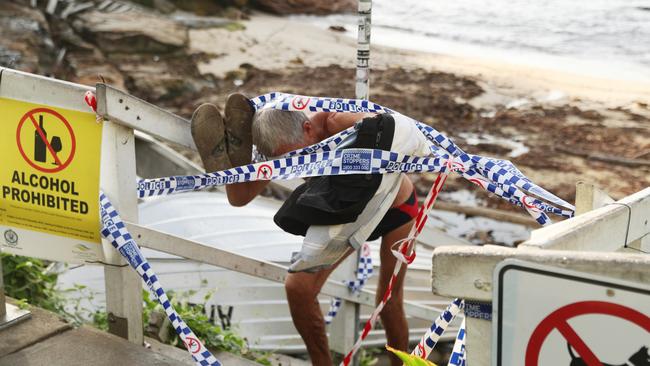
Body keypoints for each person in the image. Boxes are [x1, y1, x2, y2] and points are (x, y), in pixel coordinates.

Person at [190, 94, 431, 365]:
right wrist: (238, 161)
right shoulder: (281, 143)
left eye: (297, 158)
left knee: (388, 302)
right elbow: (239, 198)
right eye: (286, 162)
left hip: (394, 208)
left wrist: (364, 126)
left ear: (307, 128)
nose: (295, 166)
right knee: (299, 288)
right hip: (344, 212)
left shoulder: (336, 122)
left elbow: (393, 129)